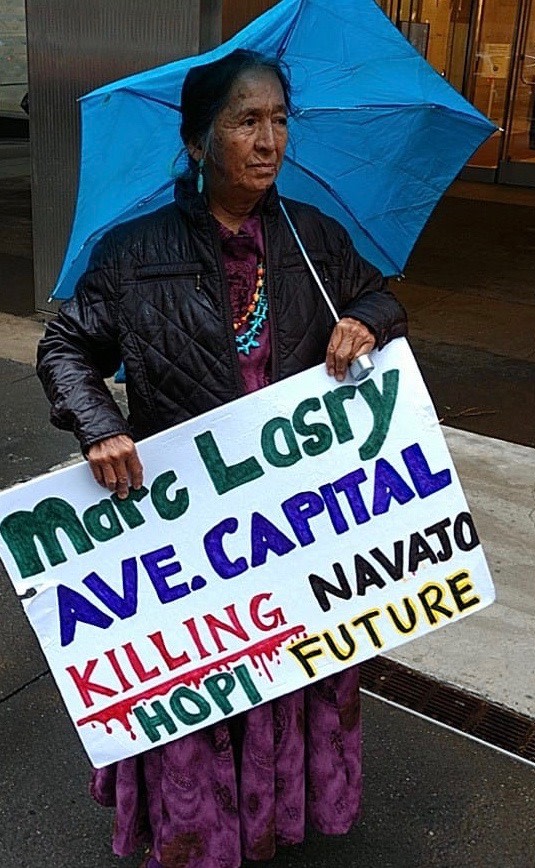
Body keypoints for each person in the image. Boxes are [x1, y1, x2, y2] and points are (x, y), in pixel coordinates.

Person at [37, 49, 407, 868]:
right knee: (204, 684)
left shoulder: (313, 238)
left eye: (280, 120)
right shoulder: (134, 252)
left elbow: (381, 293)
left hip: (295, 518)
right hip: (193, 525)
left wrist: (367, 323)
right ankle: (199, 837)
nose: (270, 140)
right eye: (246, 121)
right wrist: (100, 425)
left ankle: (274, 822)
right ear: (198, 140)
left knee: (288, 669)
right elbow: (66, 345)